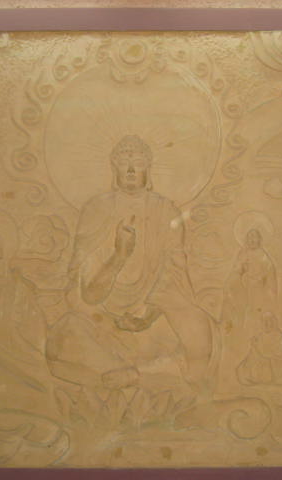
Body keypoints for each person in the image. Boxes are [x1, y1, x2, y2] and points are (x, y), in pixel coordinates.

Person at [46, 135, 215, 394]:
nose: (131, 170)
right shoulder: (95, 210)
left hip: (153, 316)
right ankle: (149, 373)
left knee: (198, 326)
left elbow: (175, 276)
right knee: (64, 337)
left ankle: (130, 374)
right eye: (124, 162)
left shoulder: (166, 211)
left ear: (149, 168)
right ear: (113, 168)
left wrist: (148, 314)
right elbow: (84, 292)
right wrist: (119, 256)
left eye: (138, 162)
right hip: (101, 319)